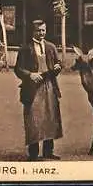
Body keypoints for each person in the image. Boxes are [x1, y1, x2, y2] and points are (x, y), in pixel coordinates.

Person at [14, 19, 63, 161]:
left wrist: (58, 67)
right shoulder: (25, 48)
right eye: (38, 30)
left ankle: (48, 151)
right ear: (32, 31)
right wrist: (30, 75)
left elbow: (58, 63)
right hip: (32, 89)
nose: (41, 33)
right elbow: (18, 69)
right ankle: (33, 154)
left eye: (43, 30)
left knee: (50, 118)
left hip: (49, 87)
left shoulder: (51, 47)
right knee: (34, 120)